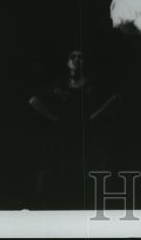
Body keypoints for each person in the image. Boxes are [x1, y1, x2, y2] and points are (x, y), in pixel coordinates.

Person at [28, 49, 118, 207]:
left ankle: (92, 207)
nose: (77, 60)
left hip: (85, 132)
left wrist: (93, 117)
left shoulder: (92, 84)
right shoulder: (58, 84)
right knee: (50, 168)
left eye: (81, 57)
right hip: (61, 132)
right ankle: (40, 205)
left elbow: (112, 98)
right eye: (73, 57)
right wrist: (52, 118)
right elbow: (33, 100)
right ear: (67, 62)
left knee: (88, 169)